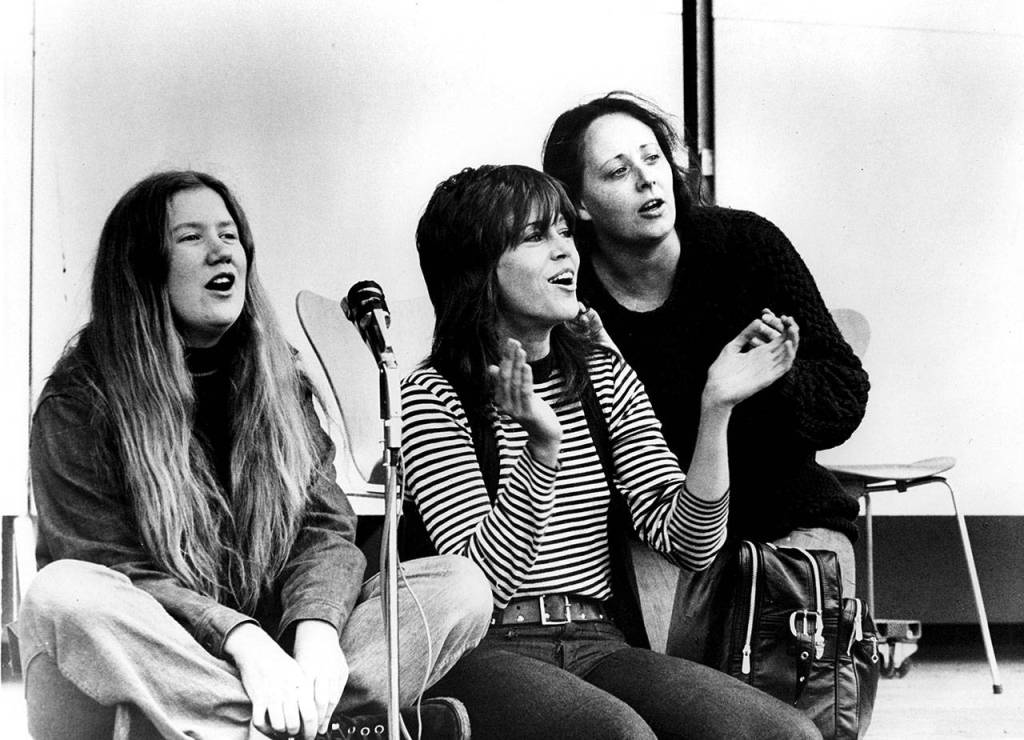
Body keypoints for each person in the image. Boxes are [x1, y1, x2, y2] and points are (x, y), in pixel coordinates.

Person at [18, 170, 493, 740]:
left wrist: (316, 632)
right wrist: (242, 641)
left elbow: (322, 527)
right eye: (191, 237)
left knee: (457, 586)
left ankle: (259, 720)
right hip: (173, 651)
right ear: (142, 268)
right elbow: (110, 565)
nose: (222, 249)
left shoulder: (278, 381)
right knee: (62, 593)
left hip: (282, 656)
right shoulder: (79, 401)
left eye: (229, 233)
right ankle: (308, 724)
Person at [400, 164, 820, 739]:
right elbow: (481, 581)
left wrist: (715, 408)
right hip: (482, 648)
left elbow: (690, 545)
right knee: (618, 736)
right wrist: (541, 449)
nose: (564, 252)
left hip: (599, 640)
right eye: (534, 236)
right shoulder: (435, 391)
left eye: (565, 233)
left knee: (784, 733)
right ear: (476, 270)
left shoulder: (602, 374)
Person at [542, 92, 870, 596]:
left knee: (791, 655)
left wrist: (774, 374)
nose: (648, 179)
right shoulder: (569, 293)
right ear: (580, 204)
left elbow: (844, 400)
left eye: (653, 158)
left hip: (783, 526)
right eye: (617, 171)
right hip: (645, 540)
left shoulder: (746, 246)